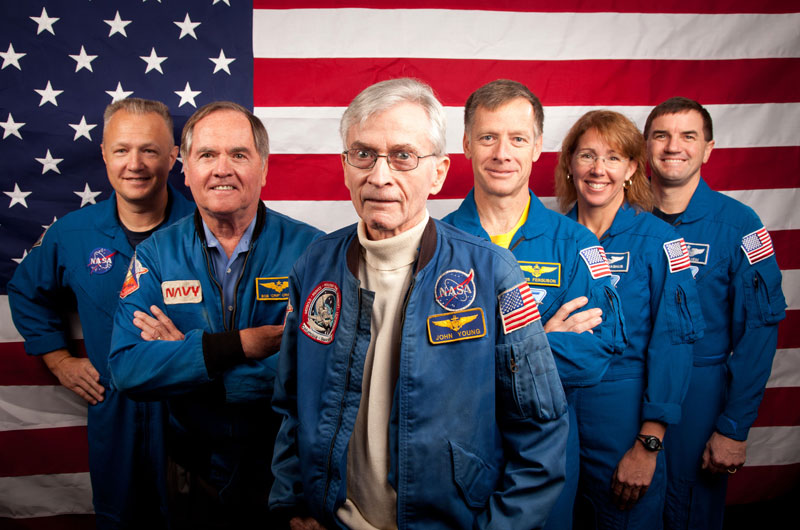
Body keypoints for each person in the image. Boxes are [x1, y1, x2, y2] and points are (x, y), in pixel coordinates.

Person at [270, 78, 569, 529]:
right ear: (346, 165)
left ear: (439, 172)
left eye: (403, 156)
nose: (380, 175)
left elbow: (541, 429)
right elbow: (292, 406)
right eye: (363, 154)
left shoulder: (492, 274)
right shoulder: (313, 267)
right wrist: (291, 506)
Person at [108, 101, 321, 528]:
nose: (222, 168)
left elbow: (323, 371)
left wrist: (185, 362)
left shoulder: (314, 253)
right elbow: (128, 370)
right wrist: (244, 346)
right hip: (191, 469)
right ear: (185, 170)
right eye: (207, 155)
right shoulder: (155, 255)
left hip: (286, 472)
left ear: (263, 168)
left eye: (238, 154)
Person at [443, 79, 627, 529]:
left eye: (517, 139)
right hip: (455, 451)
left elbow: (597, 353)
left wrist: (480, 356)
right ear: (466, 144)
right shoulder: (434, 245)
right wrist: (537, 342)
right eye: (488, 137)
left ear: (538, 146)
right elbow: (422, 365)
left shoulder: (577, 244)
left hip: (547, 451)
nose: (502, 153)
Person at [7, 98, 195, 529]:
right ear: (104, 154)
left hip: (191, 411)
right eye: (122, 149)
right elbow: (25, 292)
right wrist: (58, 360)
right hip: (114, 411)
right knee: (119, 519)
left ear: (173, 156)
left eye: (149, 150)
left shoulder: (204, 229)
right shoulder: (72, 234)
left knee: (195, 517)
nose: (135, 164)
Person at [554, 110, 704, 529]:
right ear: (570, 164)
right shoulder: (549, 238)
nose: (598, 169)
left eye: (613, 158)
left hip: (623, 410)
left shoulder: (662, 241)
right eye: (586, 156)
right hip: (554, 407)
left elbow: (675, 343)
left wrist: (648, 444)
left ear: (633, 168)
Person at [644, 97, 786, 530]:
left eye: (688, 136)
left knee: (689, 512)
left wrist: (734, 426)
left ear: (708, 148)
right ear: (645, 146)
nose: (674, 146)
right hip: (626, 391)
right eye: (661, 135)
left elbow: (759, 331)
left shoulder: (742, 225)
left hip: (699, 397)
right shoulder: (617, 218)